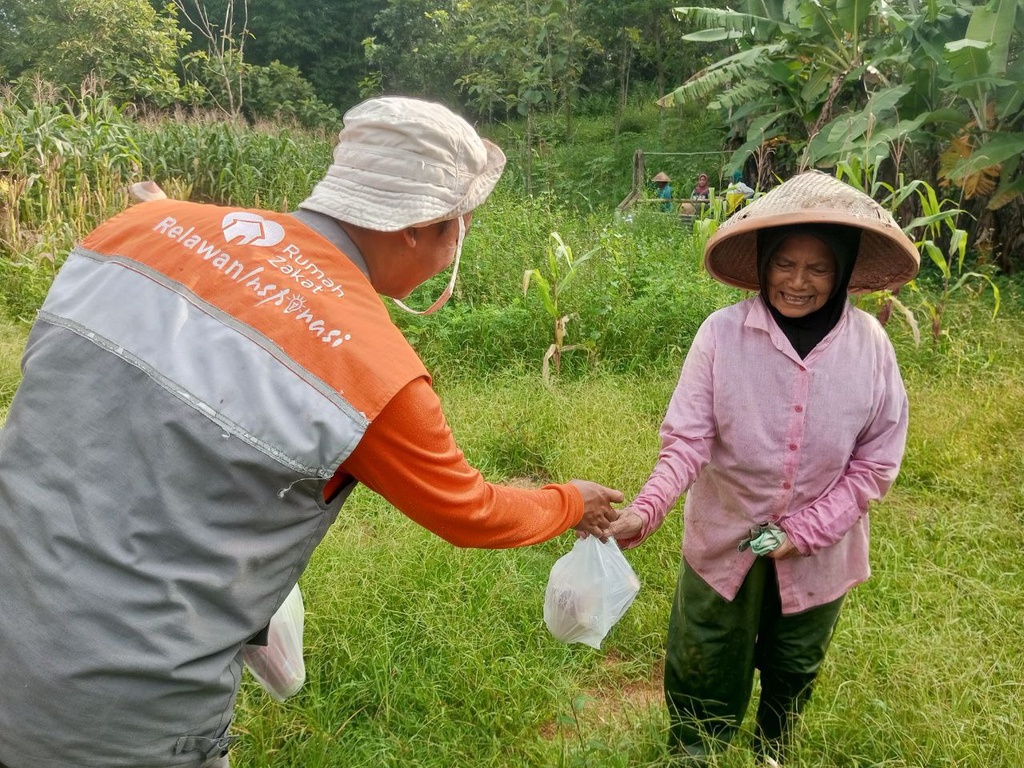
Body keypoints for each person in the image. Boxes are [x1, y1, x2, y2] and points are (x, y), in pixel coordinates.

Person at [0, 96, 623, 768]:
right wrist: (571, 503)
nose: (453, 251)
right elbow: (472, 513)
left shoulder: (129, 232)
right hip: (124, 711)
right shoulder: (374, 373)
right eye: (459, 228)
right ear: (416, 227)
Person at [605, 170, 919, 765]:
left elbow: (877, 461)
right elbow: (686, 442)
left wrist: (802, 531)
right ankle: (696, 754)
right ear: (764, 262)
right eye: (784, 264)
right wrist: (644, 510)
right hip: (723, 536)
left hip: (822, 552)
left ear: (844, 269)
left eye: (818, 268)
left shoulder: (872, 346)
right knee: (703, 655)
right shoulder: (721, 336)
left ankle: (773, 752)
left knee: (794, 663)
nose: (798, 282)